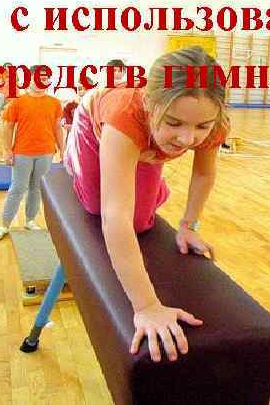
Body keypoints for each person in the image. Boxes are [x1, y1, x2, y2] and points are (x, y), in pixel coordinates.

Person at [62, 46, 229, 363]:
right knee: (98, 205)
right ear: (151, 105)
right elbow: (114, 217)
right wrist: (147, 306)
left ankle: (143, 171)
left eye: (201, 127)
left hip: (148, 143)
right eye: (175, 122)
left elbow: (204, 173)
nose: (188, 139)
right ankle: (77, 162)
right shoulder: (125, 115)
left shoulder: (211, 119)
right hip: (98, 127)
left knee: (140, 222)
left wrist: (188, 226)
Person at [0, 66, 64, 242]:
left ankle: (30, 220)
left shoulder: (54, 103)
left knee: (36, 188)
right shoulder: (18, 102)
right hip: (23, 152)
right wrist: (7, 150)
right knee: (18, 188)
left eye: (44, 78)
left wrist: (63, 149)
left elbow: (57, 128)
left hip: (46, 152)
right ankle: (4, 225)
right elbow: (7, 127)